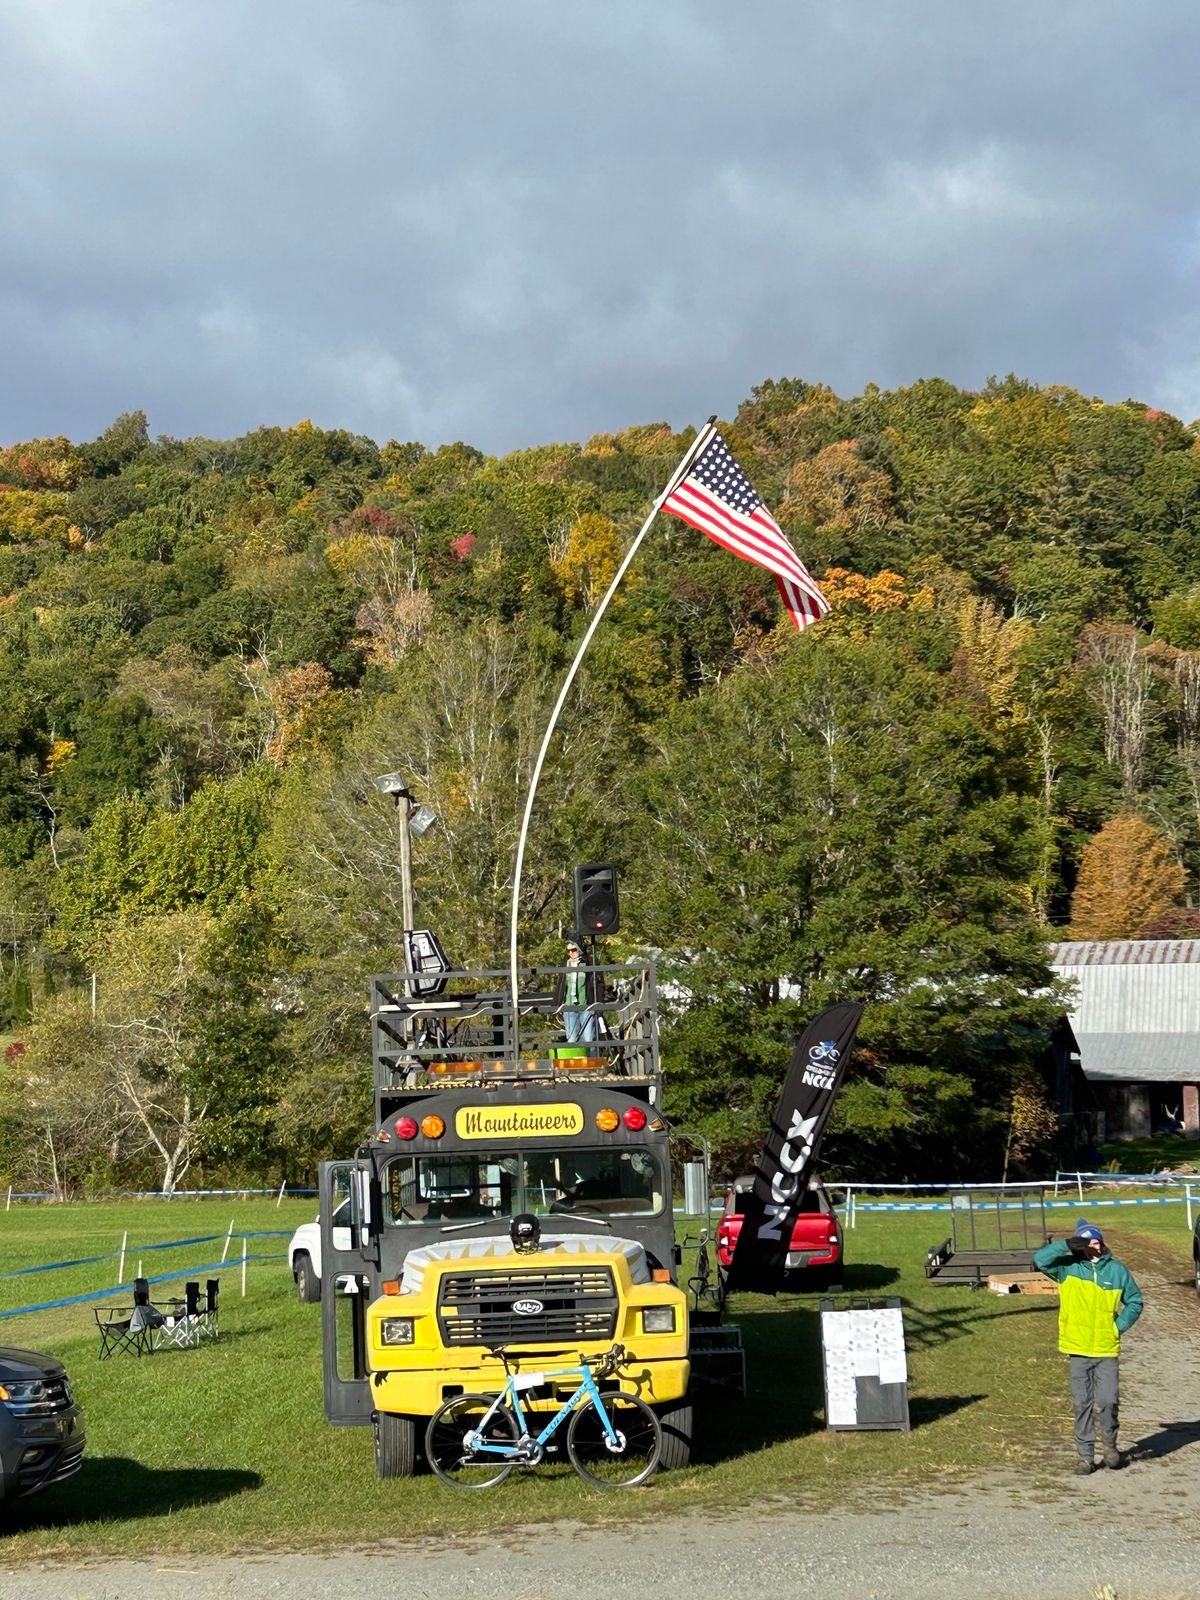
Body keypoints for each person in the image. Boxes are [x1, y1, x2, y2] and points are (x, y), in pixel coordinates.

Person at [1032, 1219, 1143, 1475]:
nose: (1095, 1243)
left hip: (1106, 1349)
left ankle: (1110, 1448)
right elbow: (1040, 1260)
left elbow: (1135, 1301)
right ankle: (1085, 1457)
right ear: (1080, 1246)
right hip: (1078, 1348)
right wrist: (1065, 1246)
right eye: (1088, 1240)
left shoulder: (1117, 1271)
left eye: (1097, 1239)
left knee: (1108, 1401)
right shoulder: (1066, 1268)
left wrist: (1118, 1326)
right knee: (1082, 1403)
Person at [552, 936, 603, 1043]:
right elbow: (560, 985)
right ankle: (576, 1060)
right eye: (568, 951)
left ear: (579, 948)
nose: (571, 953)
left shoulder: (590, 962)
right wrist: (556, 1006)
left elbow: (598, 985)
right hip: (569, 1007)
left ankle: (591, 1060)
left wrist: (598, 1005)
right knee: (571, 1040)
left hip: (586, 1006)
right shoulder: (565, 963)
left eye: (573, 950)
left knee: (589, 1039)